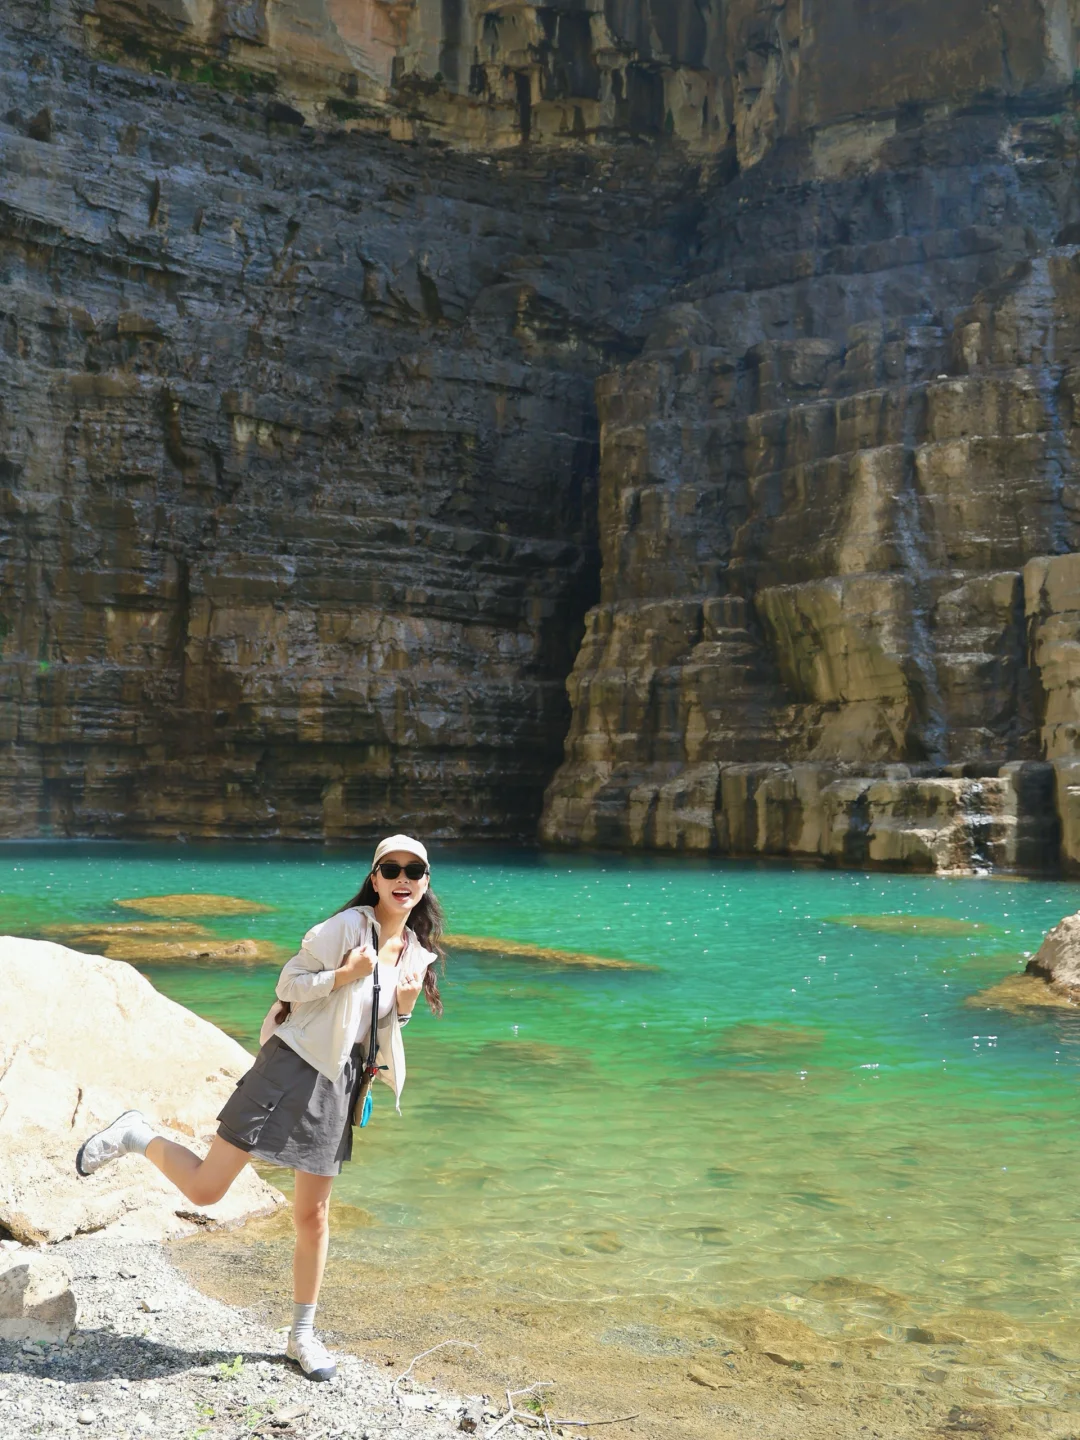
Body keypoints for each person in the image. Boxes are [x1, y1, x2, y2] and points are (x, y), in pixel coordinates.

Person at [75, 834, 444, 1382]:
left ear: (426, 883)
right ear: (374, 878)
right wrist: (343, 975)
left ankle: (301, 1336)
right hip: (290, 1063)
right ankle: (136, 1135)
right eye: (391, 869)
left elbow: (377, 1030)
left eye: (414, 871)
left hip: (340, 1083)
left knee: (312, 1216)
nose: (402, 879)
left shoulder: (416, 952)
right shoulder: (344, 930)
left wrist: (406, 1009)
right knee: (206, 1190)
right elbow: (289, 983)